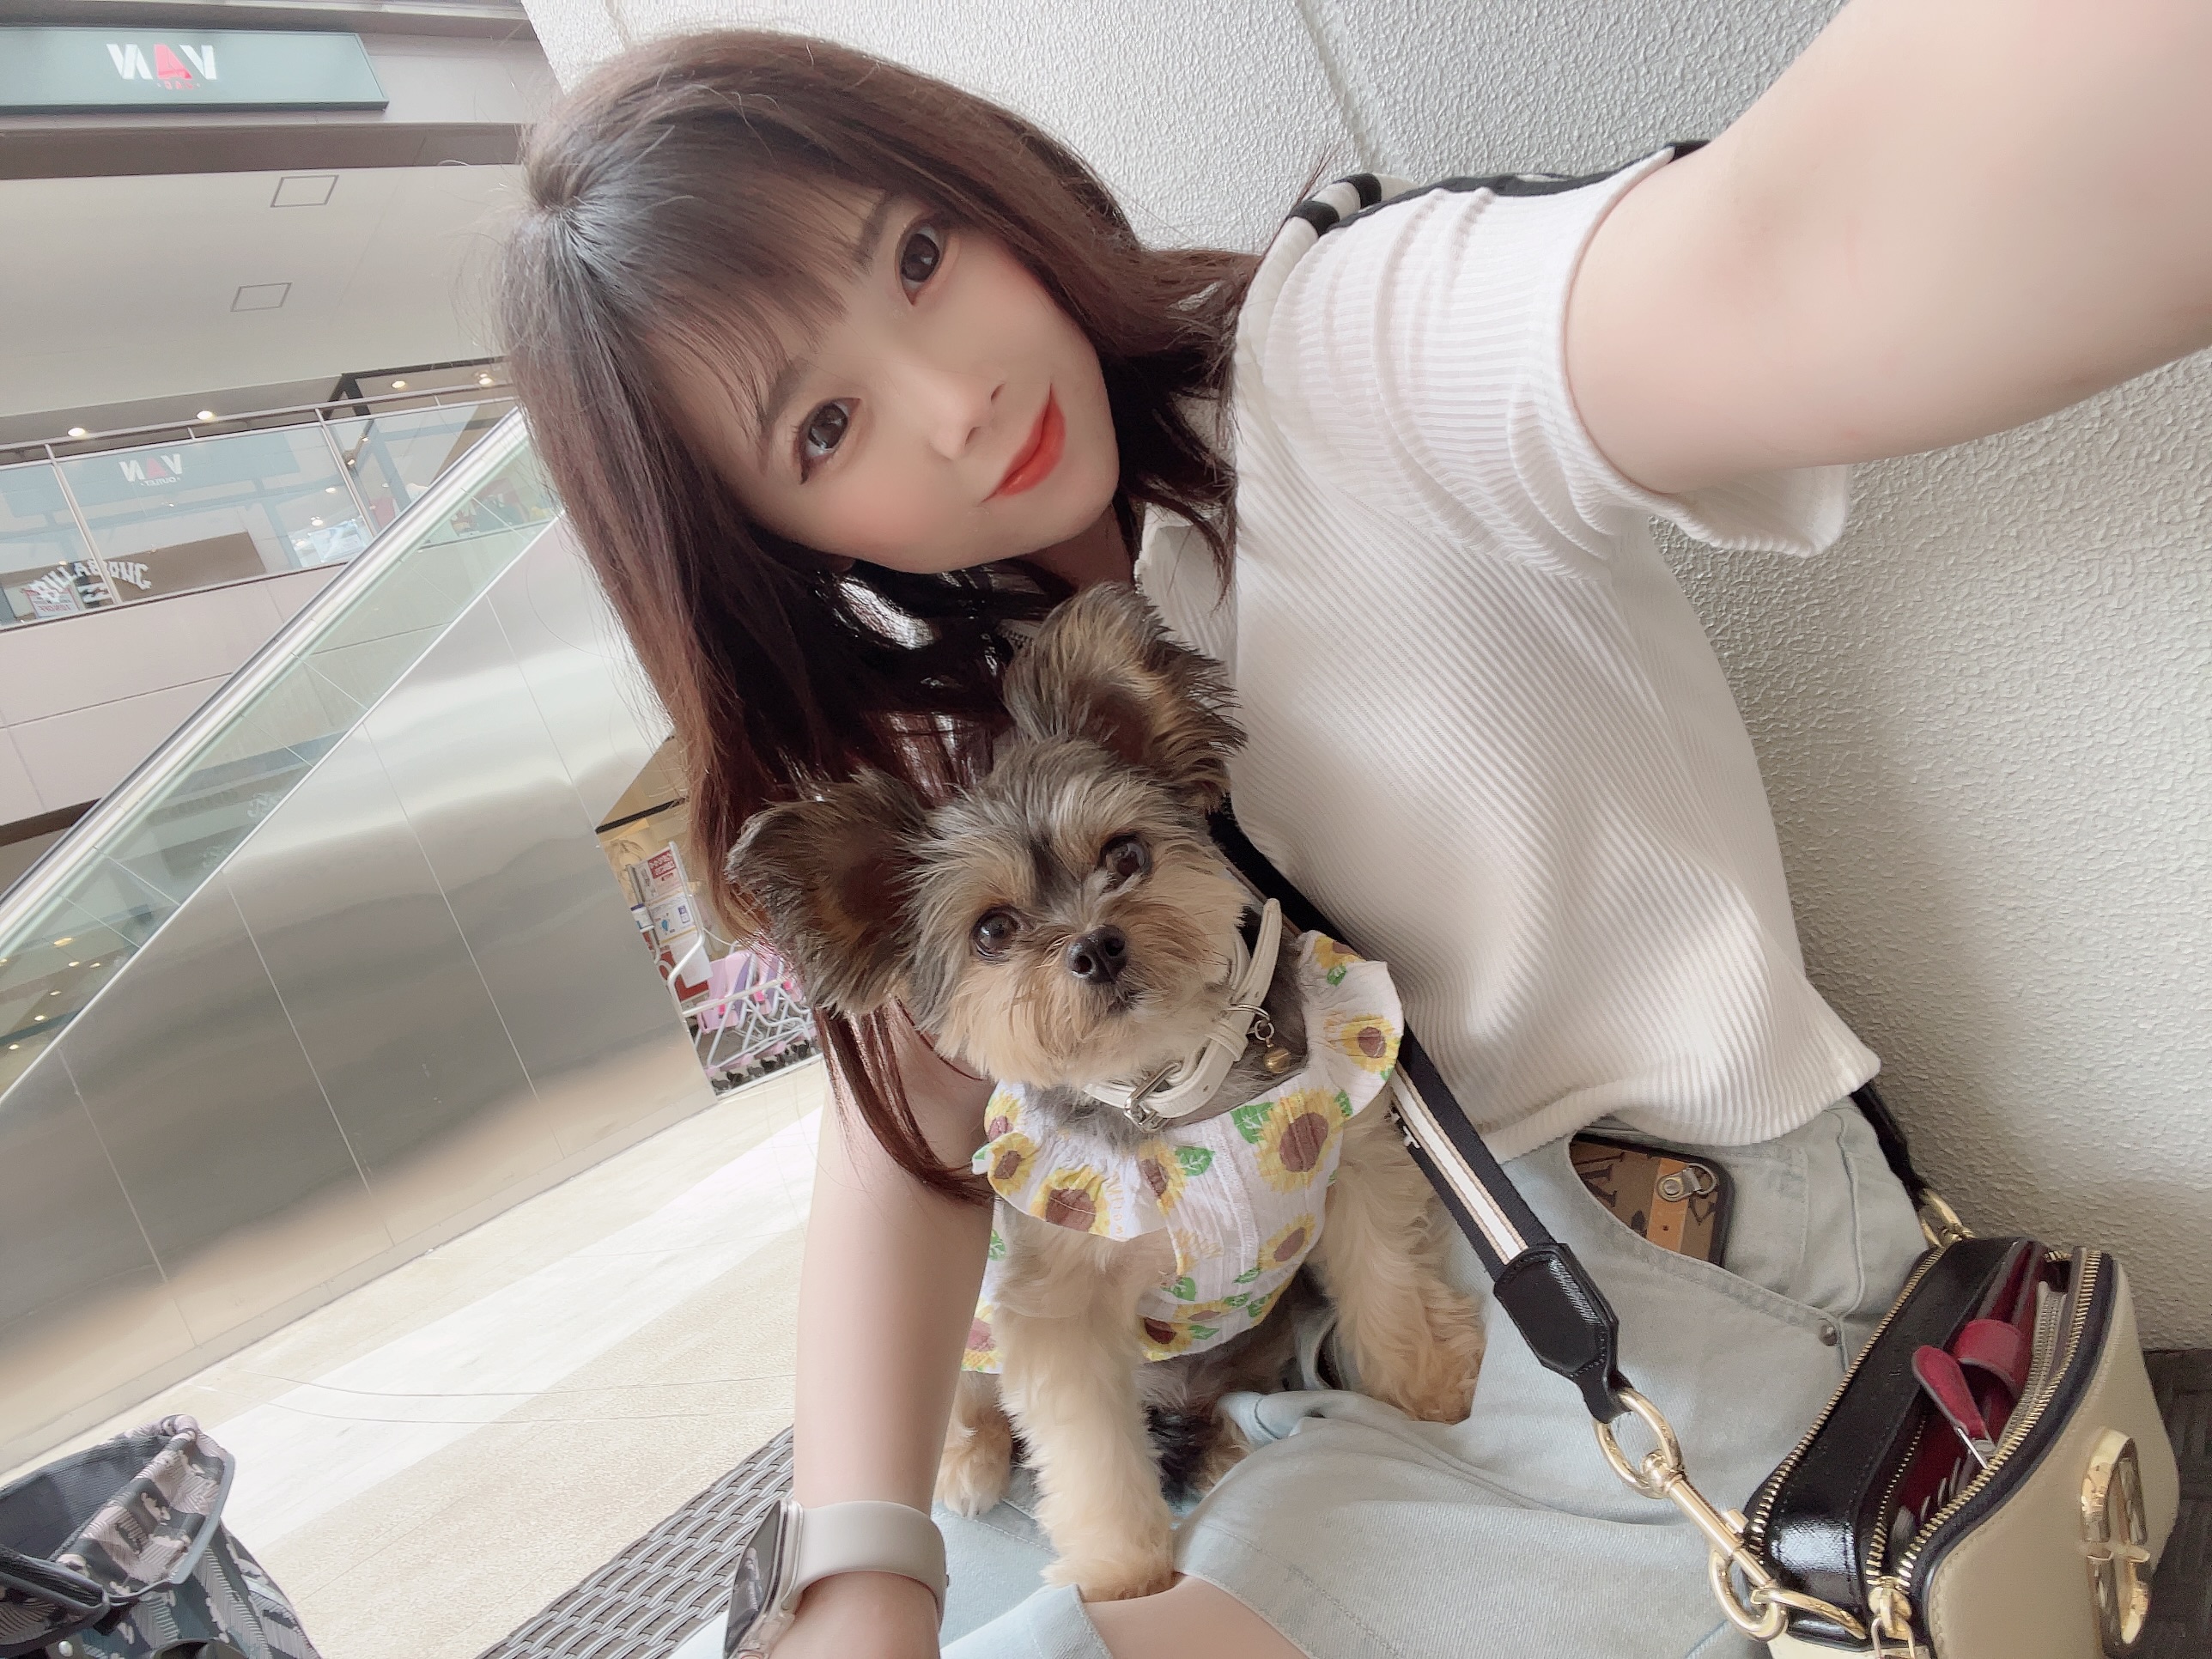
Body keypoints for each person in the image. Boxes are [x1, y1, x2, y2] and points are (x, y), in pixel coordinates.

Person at [495, 3, 2212, 1654]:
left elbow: (1799, 255)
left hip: (1647, 1296)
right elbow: (905, 1136)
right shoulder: (959, 716)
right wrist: (857, 1570)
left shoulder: (1358, 358)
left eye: (921, 255)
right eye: (824, 424)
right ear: (763, 537)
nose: (954, 402)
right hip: (1266, 1319)